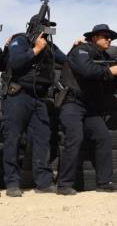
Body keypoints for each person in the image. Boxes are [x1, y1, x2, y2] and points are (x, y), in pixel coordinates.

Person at [57, 24, 117, 195]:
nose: (109, 39)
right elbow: (87, 70)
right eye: (105, 36)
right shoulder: (80, 50)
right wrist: (109, 71)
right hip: (71, 102)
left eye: (110, 37)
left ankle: (104, 182)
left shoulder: (103, 56)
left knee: (103, 137)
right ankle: (64, 184)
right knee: (74, 138)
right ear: (94, 37)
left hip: (89, 106)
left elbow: (109, 85)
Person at [2, 17, 67, 197]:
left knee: (42, 139)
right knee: (13, 138)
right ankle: (13, 183)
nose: (48, 30)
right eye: (45, 27)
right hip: (17, 95)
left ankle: (44, 183)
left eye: (50, 28)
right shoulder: (20, 40)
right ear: (35, 27)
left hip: (39, 98)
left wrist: (77, 47)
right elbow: (15, 62)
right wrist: (35, 50)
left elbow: (67, 61)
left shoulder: (50, 47)